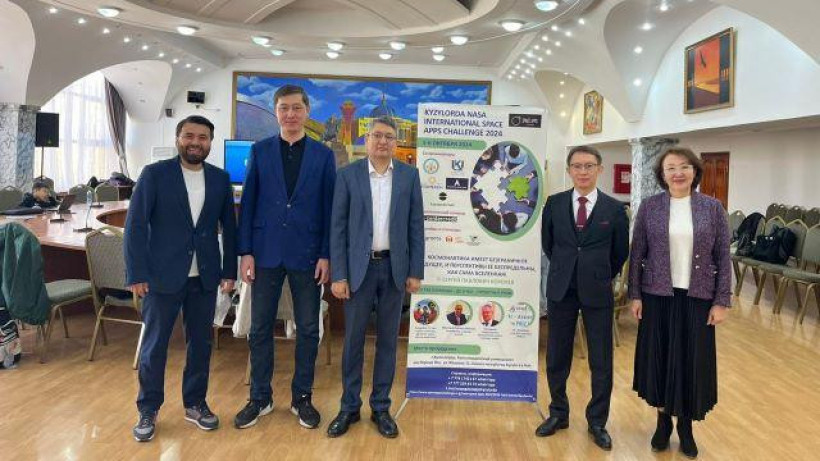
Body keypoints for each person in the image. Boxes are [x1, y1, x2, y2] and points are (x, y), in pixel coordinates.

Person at [125, 115, 237, 442]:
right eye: (189, 136)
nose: (195, 142)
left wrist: (229, 271)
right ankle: (148, 408)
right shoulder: (154, 175)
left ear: (210, 142)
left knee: (200, 344)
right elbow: (135, 226)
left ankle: (195, 403)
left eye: (202, 137)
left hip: (204, 277)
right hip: (161, 276)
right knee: (154, 346)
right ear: (178, 139)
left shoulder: (220, 179)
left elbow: (230, 229)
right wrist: (136, 272)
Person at [235, 84, 336, 430]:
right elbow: (248, 203)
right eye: (283, 108)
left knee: (308, 328)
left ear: (307, 112)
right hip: (265, 253)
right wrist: (246, 252)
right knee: (260, 327)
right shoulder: (260, 151)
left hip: (308, 255)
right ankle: (259, 398)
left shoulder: (323, 156)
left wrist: (326, 254)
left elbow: (329, 210)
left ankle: (301, 398)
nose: (290, 114)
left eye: (296, 108)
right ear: (276, 112)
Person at [326, 116, 424, 439]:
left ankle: (381, 407)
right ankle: (349, 407)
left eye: (389, 137)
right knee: (353, 340)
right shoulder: (347, 176)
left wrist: (415, 271)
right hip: (358, 270)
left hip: (394, 270)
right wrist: (339, 274)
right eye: (377, 136)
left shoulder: (409, 176)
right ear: (366, 141)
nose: (382, 141)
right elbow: (337, 228)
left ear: (396, 143)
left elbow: (416, 226)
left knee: (388, 342)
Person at [629, 147, 731, 459]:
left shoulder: (713, 208)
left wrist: (721, 301)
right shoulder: (650, 207)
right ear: (662, 174)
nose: (678, 173)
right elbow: (637, 253)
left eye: (685, 166)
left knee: (692, 362)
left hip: (698, 298)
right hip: (657, 296)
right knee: (660, 360)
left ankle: (686, 426)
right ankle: (663, 422)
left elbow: (723, 257)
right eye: (671, 168)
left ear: (695, 171)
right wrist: (635, 294)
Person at [536, 145, 629, 450]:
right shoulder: (554, 204)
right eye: (577, 166)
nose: (583, 171)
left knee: (601, 359)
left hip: (597, 289)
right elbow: (549, 244)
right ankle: (558, 413)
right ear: (569, 170)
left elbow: (619, 253)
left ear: (599, 169)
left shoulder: (614, 209)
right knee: (557, 356)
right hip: (561, 288)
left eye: (589, 166)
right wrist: (569, 267)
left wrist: (596, 272)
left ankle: (597, 421)